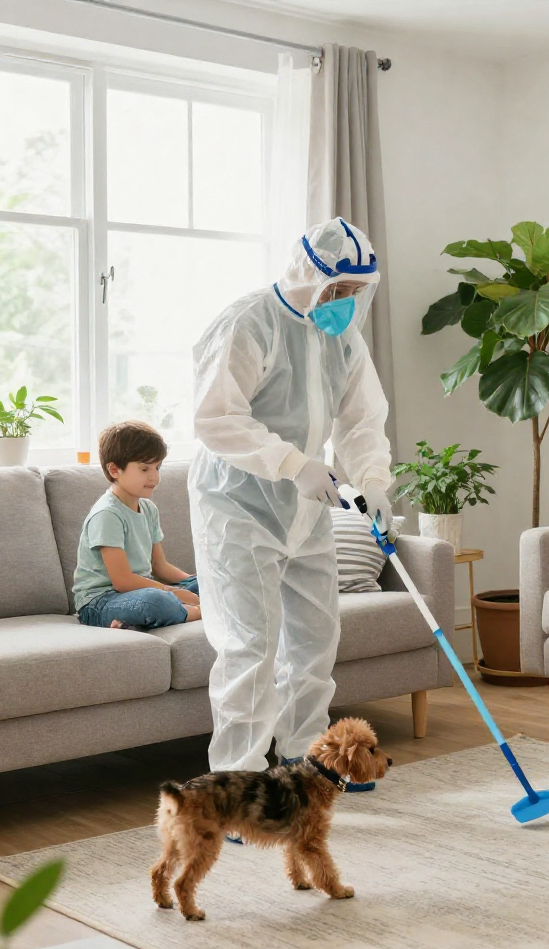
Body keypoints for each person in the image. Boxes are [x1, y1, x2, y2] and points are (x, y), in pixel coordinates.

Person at [189, 218, 393, 775]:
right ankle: (238, 785)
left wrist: (374, 480)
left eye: (356, 292)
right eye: (336, 290)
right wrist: (292, 463)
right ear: (307, 275)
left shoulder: (342, 337)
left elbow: (361, 419)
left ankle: (310, 764)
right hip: (239, 507)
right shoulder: (247, 325)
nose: (345, 302)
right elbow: (217, 419)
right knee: (249, 649)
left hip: (307, 510)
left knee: (315, 641)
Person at [74, 421, 200, 629]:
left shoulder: (148, 509)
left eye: (157, 467)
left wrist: (195, 582)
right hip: (101, 602)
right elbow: (122, 580)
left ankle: (136, 621)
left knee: (209, 585)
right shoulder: (107, 513)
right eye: (144, 469)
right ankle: (199, 612)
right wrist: (174, 592)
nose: (154, 477)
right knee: (155, 601)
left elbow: (160, 566)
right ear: (114, 469)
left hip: (139, 590)